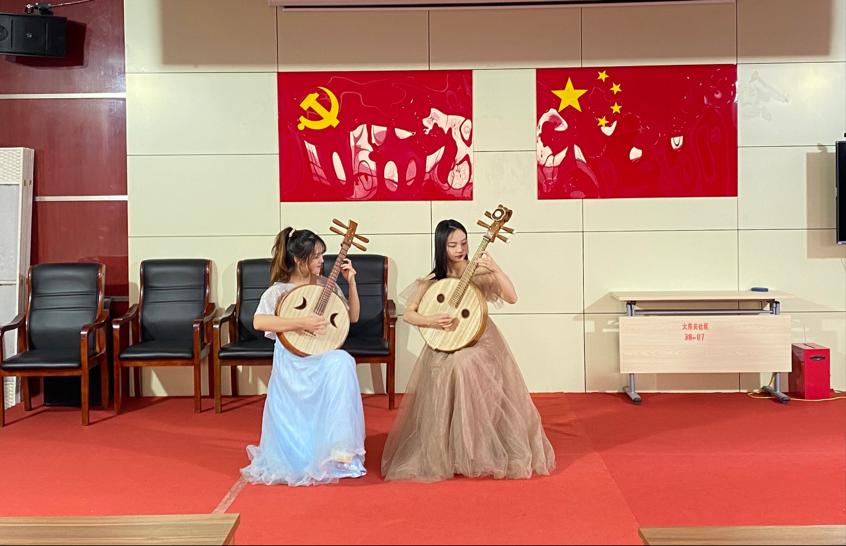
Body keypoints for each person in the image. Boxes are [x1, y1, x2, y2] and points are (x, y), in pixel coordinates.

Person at [381, 219, 555, 482]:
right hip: (446, 343)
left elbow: (511, 297)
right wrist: (431, 320)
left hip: (479, 342)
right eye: (452, 245)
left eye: (463, 243)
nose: (460, 249)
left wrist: (495, 268)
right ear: (441, 246)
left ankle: (477, 450)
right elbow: (410, 314)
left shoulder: (477, 272)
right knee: (447, 365)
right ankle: (448, 451)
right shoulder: (433, 280)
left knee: (462, 363)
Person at [241, 227, 366, 486]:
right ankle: (300, 453)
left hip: (320, 356)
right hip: (292, 361)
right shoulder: (279, 291)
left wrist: (351, 281)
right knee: (339, 361)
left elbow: (352, 317)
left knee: (342, 361)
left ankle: (339, 448)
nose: (322, 261)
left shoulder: (326, 286)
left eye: (322, 255)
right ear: (299, 259)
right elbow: (259, 322)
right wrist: (300, 322)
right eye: (316, 256)